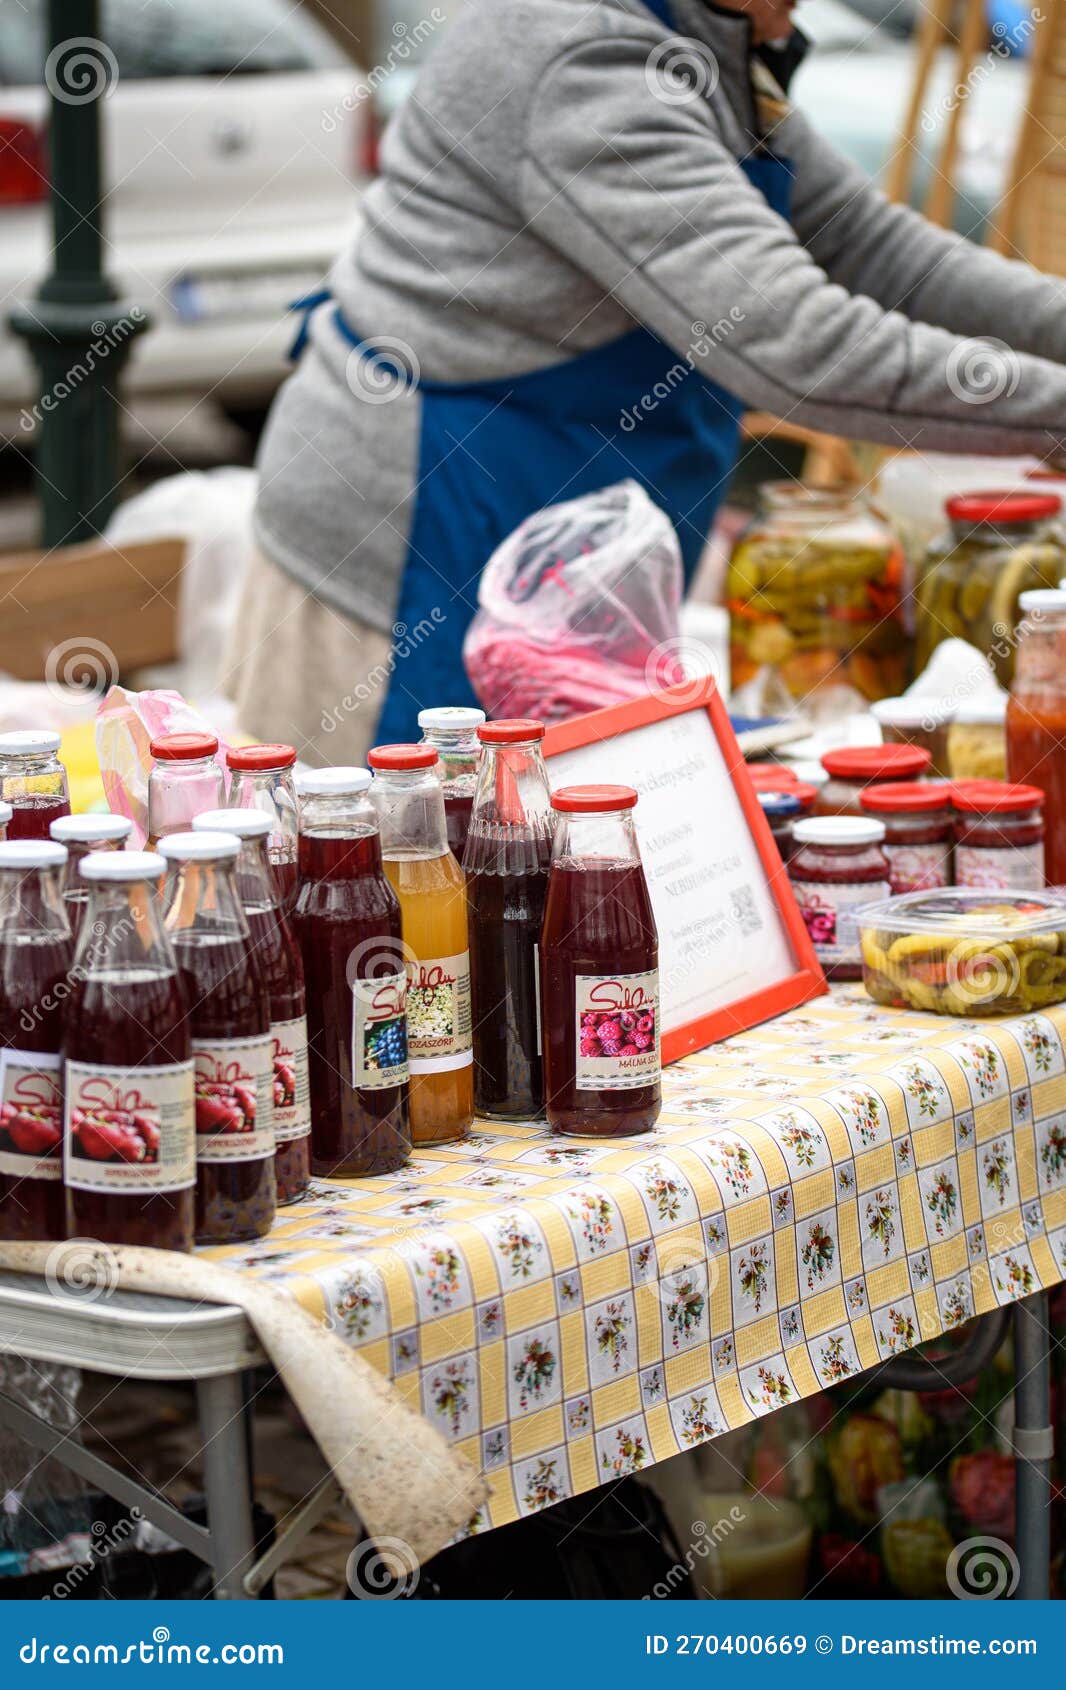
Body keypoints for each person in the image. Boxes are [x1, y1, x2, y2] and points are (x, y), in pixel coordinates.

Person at [228, 0, 1066, 761]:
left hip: (559, 550)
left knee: (558, 879)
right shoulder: (580, 64)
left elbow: (879, 251)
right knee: (420, 883)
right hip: (416, 555)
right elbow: (797, 343)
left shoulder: (695, 44)